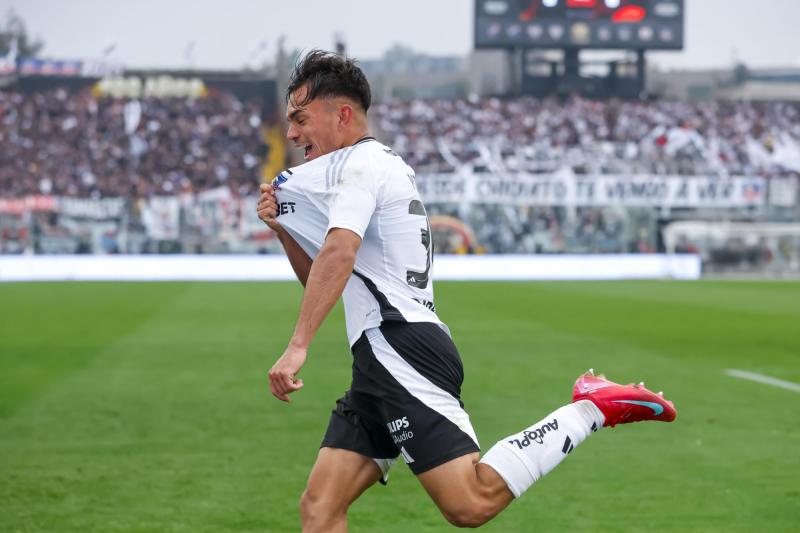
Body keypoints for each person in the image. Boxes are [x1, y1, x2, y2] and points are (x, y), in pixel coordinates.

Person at [256, 50, 677, 532]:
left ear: (343, 115)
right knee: (320, 508)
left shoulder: (362, 165)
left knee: (470, 503)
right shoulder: (370, 166)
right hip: (378, 358)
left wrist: (297, 347)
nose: (291, 133)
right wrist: (283, 229)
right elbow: (325, 279)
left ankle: (590, 408)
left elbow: (339, 253)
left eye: (300, 118)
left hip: (401, 348)